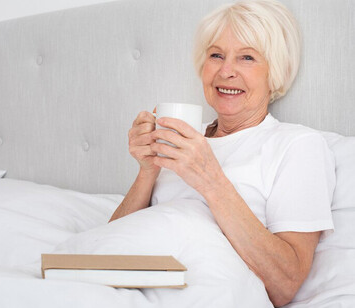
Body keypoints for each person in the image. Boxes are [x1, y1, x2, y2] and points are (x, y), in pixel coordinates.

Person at [109, 0, 335, 306]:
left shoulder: (297, 145)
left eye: (247, 58)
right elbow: (110, 246)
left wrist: (210, 180)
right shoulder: (183, 137)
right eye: (216, 55)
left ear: (275, 72)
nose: (226, 71)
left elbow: (285, 284)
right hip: (125, 289)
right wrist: (147, 170)